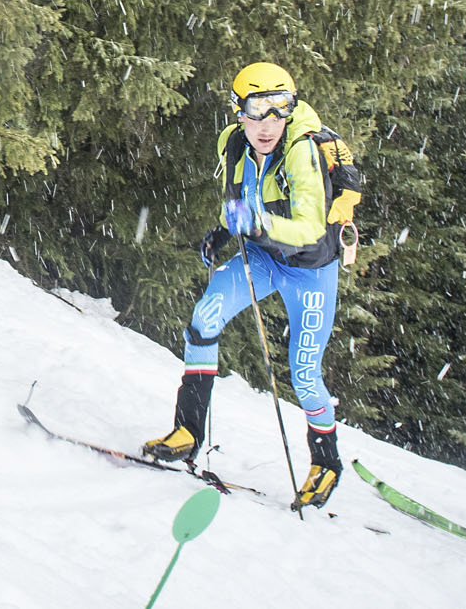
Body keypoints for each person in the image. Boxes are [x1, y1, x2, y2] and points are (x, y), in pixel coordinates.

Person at [143, 61, 364, 509]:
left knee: (304, 375)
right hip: (264, 257)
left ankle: (326, 463)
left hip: (311, 269)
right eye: (255, 110)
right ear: (236, 110)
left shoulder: (301, 151)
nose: (267, 124)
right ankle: (188, 430)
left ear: (291, 108)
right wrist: (227, 231)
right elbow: (236, 201)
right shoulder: (233, 146)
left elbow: (308, 229)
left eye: (279, 110)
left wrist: (256, 225)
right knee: (204, 317)